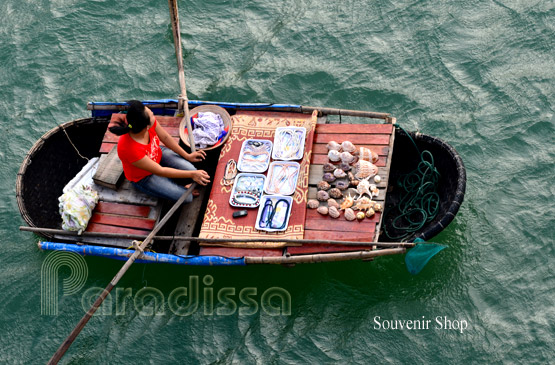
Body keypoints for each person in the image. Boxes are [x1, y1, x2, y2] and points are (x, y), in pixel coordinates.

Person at [109, 100, 210, 203]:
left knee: (190, 168)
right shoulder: (129, 149)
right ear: (146, 127)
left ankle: (178, 184)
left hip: (157, 153)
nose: (153, 114)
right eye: (151, 114)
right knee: (187, 198)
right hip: (144, 176)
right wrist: (192, 175)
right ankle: (177, 187)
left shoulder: (144, 122)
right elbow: (160, 171)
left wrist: (187, 155)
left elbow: (165, 138)